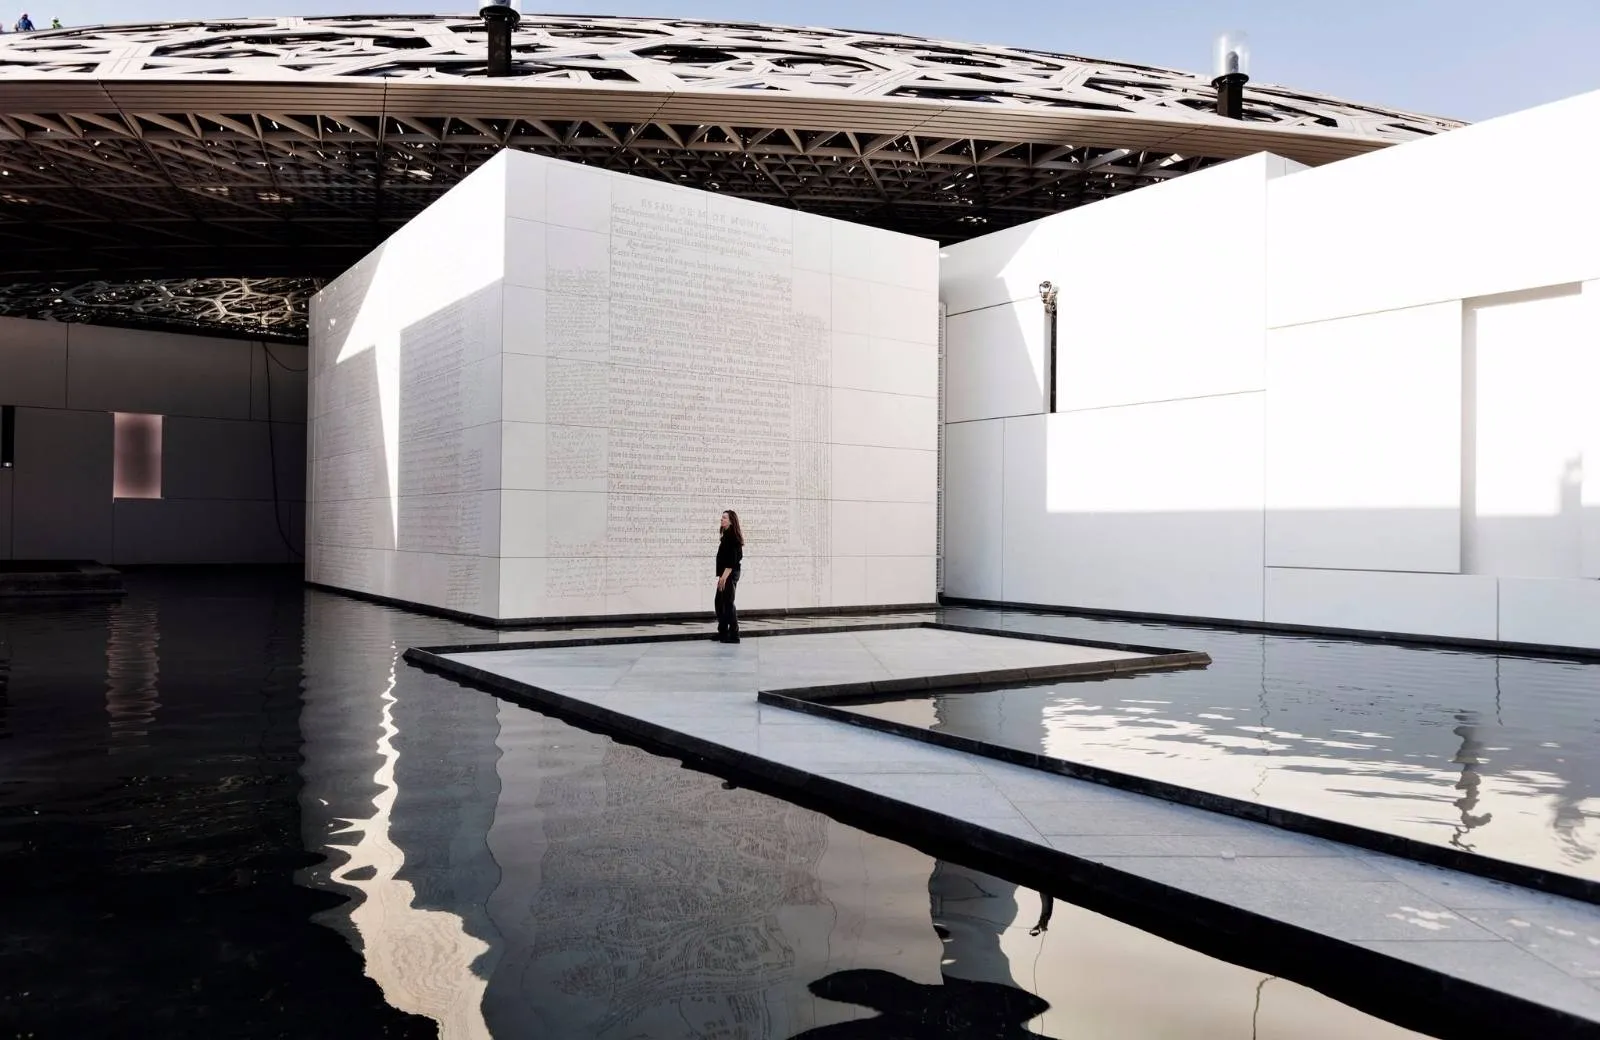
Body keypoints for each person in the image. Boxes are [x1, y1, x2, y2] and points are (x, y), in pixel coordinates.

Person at [714, 509, 743, 644]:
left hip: (729, 574)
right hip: (725, 574)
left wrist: (724, 577)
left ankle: (734, 634)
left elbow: (732, 561)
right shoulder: (727, 535)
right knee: (720, 602)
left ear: (731, 520)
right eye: (722, 517)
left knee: (728, 603)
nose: (721, 519)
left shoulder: (731, 536)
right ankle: (723, 632)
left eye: (724, 517)